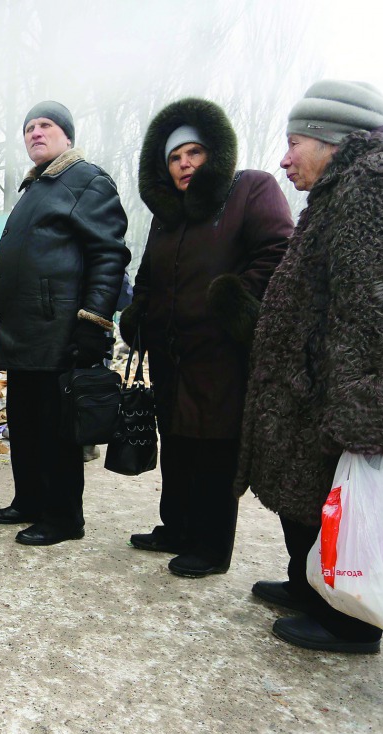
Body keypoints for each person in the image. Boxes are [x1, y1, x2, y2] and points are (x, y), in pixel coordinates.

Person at [237, 80, 383, 653]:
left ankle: (351, 620)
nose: (285, 158)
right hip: (319, 388)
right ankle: (310, 584)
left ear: (332, 140)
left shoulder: (381, 186)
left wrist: (373, 415)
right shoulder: (346, 189)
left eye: (295, 142)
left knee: (339, 500)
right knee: (309, 494)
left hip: (349, 394)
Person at [120, 98, 293, 577]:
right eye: (175, 158)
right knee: (176, 439)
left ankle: (211, 546)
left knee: (214, 445)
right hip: (174, 353)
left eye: (194, 153)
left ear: (213, 153)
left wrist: (235, 300)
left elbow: (279, 249)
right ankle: (176, 527)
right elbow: (150, 274)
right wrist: (139, 310)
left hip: (223, 351)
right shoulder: (168, 216)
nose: (185, 164)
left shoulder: (251, 189)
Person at [0, 100, 131, 546]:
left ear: (67, 136)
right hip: (29, 333)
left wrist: (94, 323)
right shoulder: (37, 188)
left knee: (58, 429)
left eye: (45, 125)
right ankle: (30, 499)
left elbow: (109, 255)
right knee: (26, 423)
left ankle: (65, 517)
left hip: (62, 332)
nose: (35, 133)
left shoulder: (87, 180)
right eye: (28, 128)